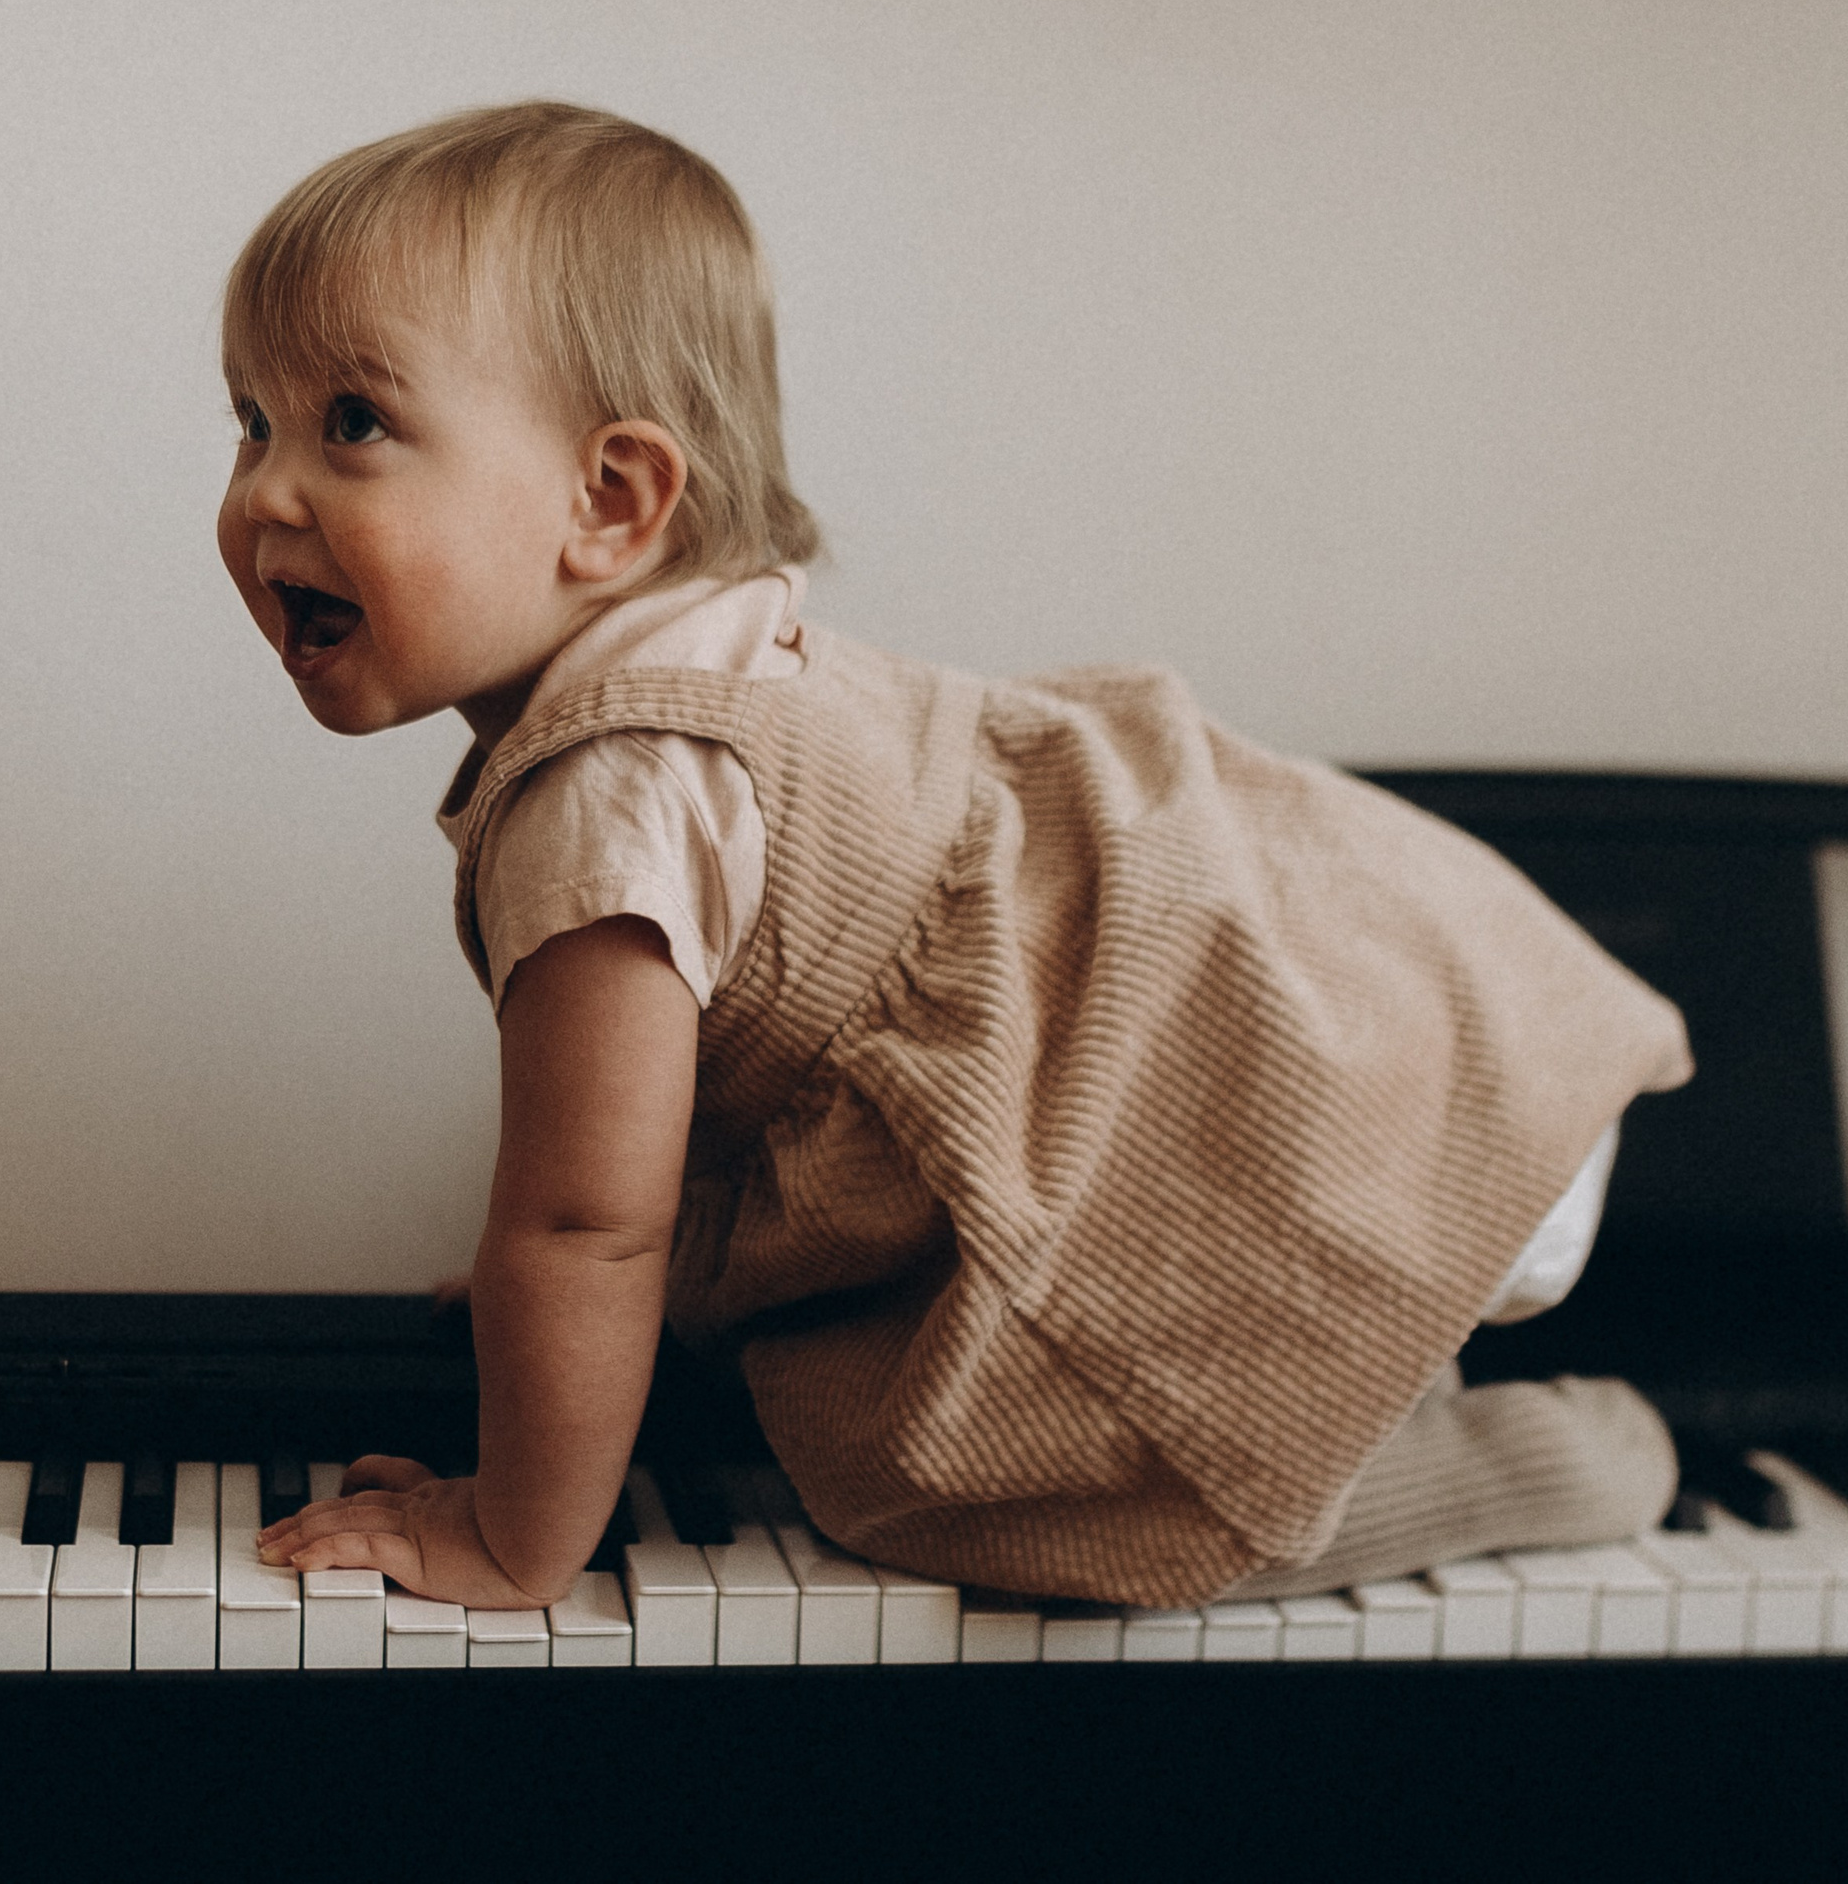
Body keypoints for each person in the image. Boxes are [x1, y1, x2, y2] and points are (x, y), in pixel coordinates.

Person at [231, 101, 1691, 1613]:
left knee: (969, 1494)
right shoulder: (719, 662)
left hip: (1303, 1105)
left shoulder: (609, 799)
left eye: (351, 422)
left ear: (612, 501)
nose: (268, 489)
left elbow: (588, 1224)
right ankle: (1380, 1376)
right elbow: (639, 1161)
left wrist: (509, 1528)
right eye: (250, 419)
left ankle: (1518, 1463)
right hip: (1385, 1018)